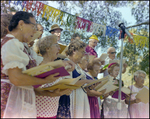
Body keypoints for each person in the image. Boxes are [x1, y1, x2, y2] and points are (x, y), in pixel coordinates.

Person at [1, 11, 61, 118]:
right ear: (21, 24)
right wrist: (45, 81)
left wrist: (50, 93)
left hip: (20, 104)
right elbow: (17, 79)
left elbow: (29, 80)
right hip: (9, 105)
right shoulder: (11, 43)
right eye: (33, 26)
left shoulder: (22, 46)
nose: (35, 31)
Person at [35, 35, 73, 118]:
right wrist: (52, 94)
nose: (59, 49)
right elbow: (34, 89)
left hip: (52, 113)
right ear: (47, 48)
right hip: (38, 114)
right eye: (56, 45)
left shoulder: (56, 67)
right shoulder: (38, 66)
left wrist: (65, 90)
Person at [57, 40, 92, 118]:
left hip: (79, 101)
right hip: (69, 101)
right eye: (82, 52)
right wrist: (86, 81)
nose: (83, 55)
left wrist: (90, 85)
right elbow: (67, 84)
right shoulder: (67, 64)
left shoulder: (77, 67)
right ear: (74, 51)